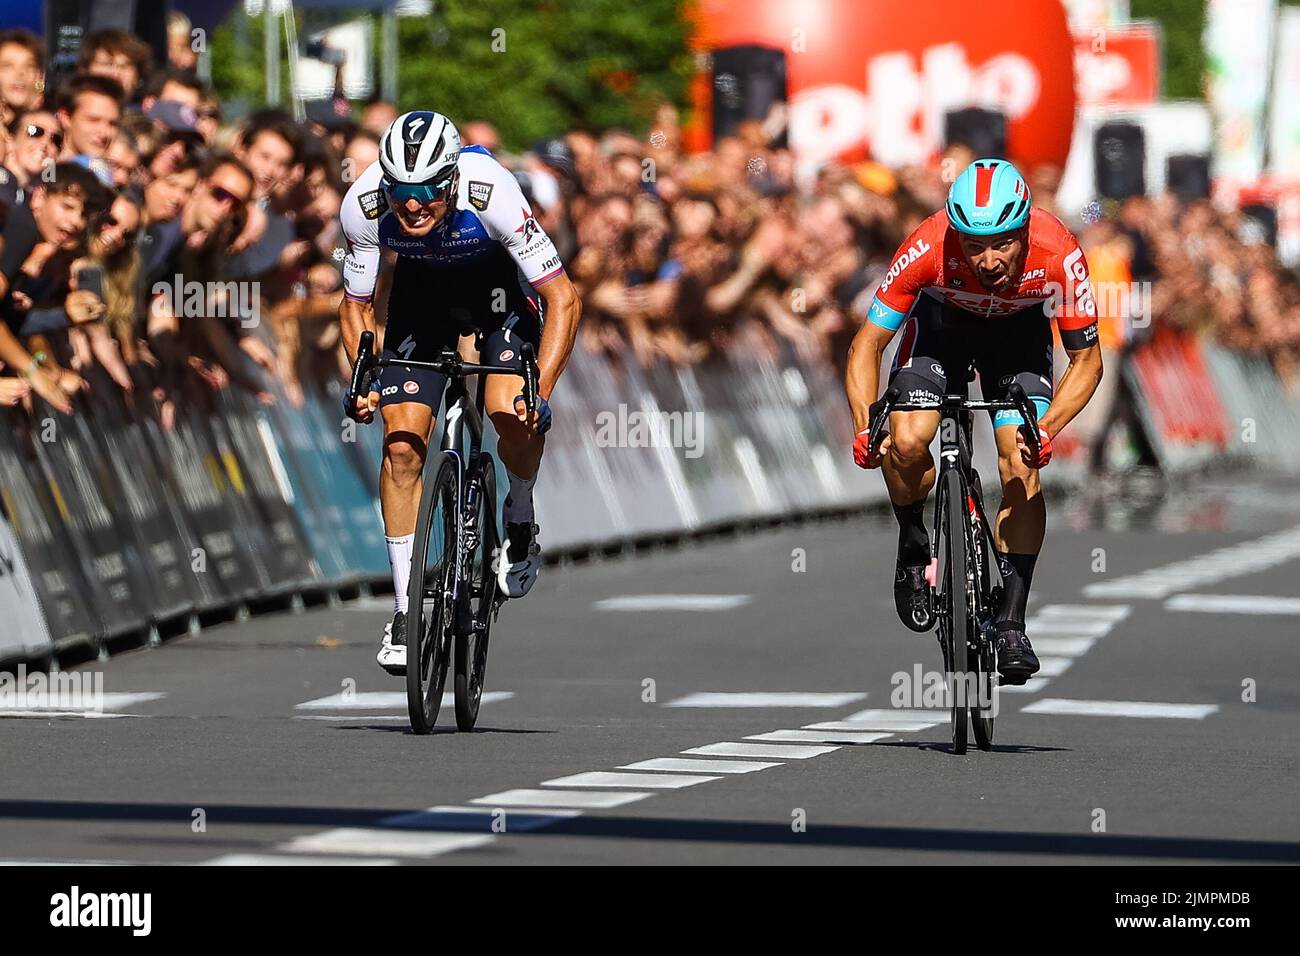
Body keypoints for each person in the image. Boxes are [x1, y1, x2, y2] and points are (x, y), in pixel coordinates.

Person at [339, 111, 582, 675]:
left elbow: (564, 299)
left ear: (450, 182)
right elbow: (355, 305)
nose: (413, 204)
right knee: (401, 445)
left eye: (426, 190)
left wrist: (537, 392)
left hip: (494, 288)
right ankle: (405, 609)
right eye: (401, 190)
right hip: (420, 297)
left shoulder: (491, 191)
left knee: (508, 410)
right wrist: (365, 377)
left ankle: (519, 515)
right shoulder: (365, 203)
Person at [844, 158, 1104, 684]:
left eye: (1003, 243)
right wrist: (865, 424)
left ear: (1026, 228)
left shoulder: (1058, 252)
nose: (987, 260)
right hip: (940, 329)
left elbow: (1088, 361)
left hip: (1017, 338)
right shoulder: (928, 243)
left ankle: (1010, 621)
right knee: (909, 438)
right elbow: (866, 344)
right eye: (973, 245)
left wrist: (1048, 427)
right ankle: (915, 541)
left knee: (1019, 462)